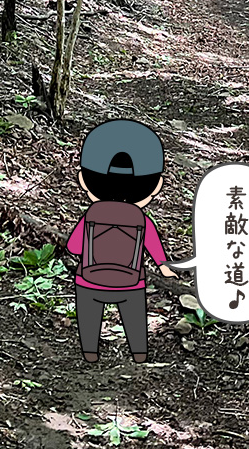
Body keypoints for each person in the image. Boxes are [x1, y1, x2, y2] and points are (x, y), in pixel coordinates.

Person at [65, 119, 177, 363]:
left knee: (89, 318)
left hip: (89, 281)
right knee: (134, 320)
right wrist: (165, 269)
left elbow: (73, 246)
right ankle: (138, 354)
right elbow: (155, 249)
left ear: (85, 180)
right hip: (131, 283)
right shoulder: (141, 218)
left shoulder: (90, 215)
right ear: (155, 186)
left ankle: (90, 354)